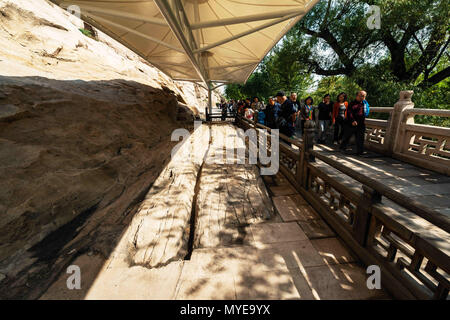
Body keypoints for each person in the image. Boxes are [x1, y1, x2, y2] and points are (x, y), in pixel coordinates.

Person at [340, 91, 367, 156]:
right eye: (360, 95)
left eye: (363, 96)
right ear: (357, 96)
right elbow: (349, 113)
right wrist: (352, 120)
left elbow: (366, 112)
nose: (362, 97)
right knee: (347, 136)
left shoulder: (365, 104)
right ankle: (342, 148)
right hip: (351, 123)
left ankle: (360, 152)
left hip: (361, 123)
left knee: (360, 138)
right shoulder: (352, 103)